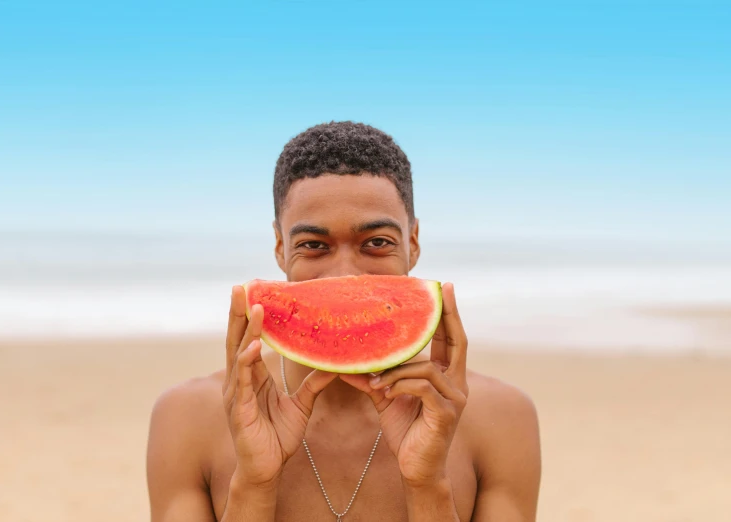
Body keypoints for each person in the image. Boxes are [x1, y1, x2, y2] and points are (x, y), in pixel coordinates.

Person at [146, 121, 542, 521]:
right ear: (281, 248)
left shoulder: (502, 418)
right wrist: (254, 482)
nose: (343, 275)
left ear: (414, 242)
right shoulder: (187, 418)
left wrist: (427, 484)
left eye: (376, 243)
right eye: (314, 246)